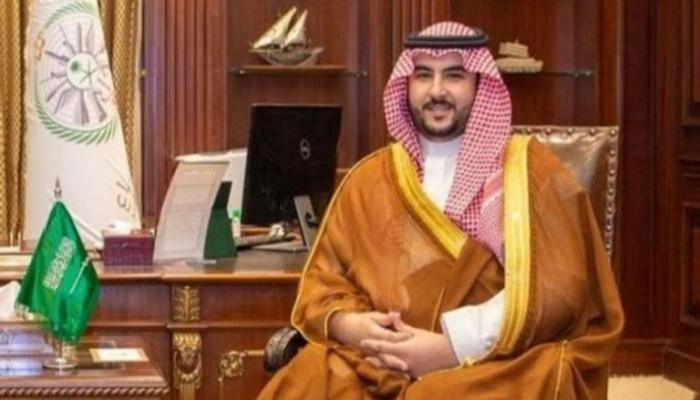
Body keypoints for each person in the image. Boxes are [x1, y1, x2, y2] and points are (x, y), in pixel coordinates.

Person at [257, 21, 624, 399]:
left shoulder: (531, 171)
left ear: (479, 83)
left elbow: (559, 290)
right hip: (374, 359)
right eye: (423, 75)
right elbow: (325, 281)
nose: (436, 91)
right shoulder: (369, 179)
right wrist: (353, 327)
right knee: (311, 375)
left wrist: (451, 347)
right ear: (406, 84)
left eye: (454, 75)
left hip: (492, 362)